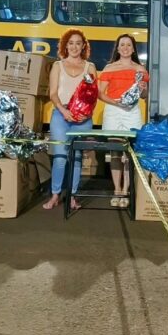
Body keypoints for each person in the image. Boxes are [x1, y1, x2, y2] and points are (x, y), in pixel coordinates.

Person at [44, 29, 98, 210]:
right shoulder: (57, 66)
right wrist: (63, 111)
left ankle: (73, 196)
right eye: (71, 43)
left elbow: (93, 95)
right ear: (65, 45)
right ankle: (55, 195)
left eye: (78, 43)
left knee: (76, 158)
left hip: (83, 118)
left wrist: (87, 113)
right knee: (60, 157)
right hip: (61, 115)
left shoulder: (90, 67)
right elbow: (52, 93)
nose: (74, 46)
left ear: (83, 46)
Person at [98, 34, 149, 208]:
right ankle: (117, 190)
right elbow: (100, 93)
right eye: (122, 45)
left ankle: (126, 190)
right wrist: (115, 102)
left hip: (132, 111)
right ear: (118, 48)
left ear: (133, 48)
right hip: (113, 111)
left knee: (129, 153)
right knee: (115, 152)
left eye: (129, 45)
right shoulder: (109, 68)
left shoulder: (141, 70)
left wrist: (143, 90)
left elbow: (144, 95)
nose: (125, 48)